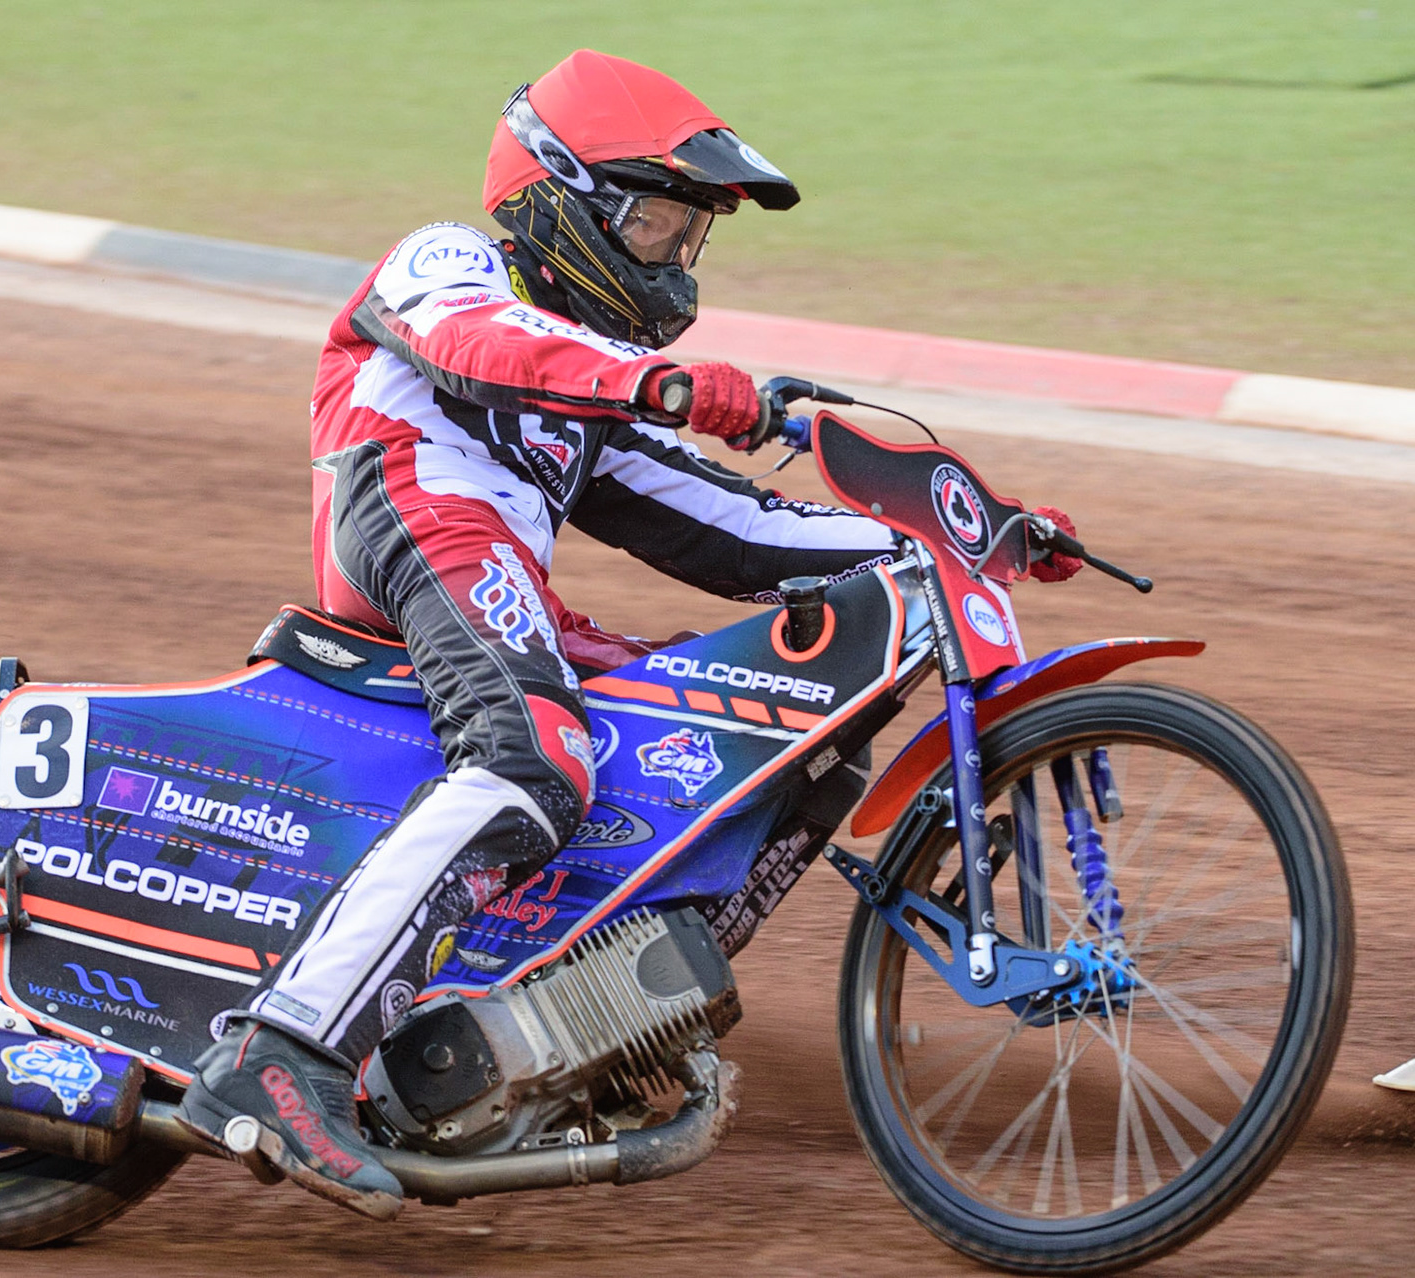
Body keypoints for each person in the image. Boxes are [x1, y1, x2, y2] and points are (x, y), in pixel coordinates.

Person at [180, 49, 1082, 1219]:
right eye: (656, 224)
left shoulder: (588, 397)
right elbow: (479, 349)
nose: (674, 260)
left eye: (690, 238)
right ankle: (280, 1051)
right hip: (410, 513)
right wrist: (670, 386)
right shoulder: (450, 260)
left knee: (765, 732)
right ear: (561, 200)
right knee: (533, 760)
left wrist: (956, 541)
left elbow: (733, 525)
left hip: (503, 574)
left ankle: (570, 1015)